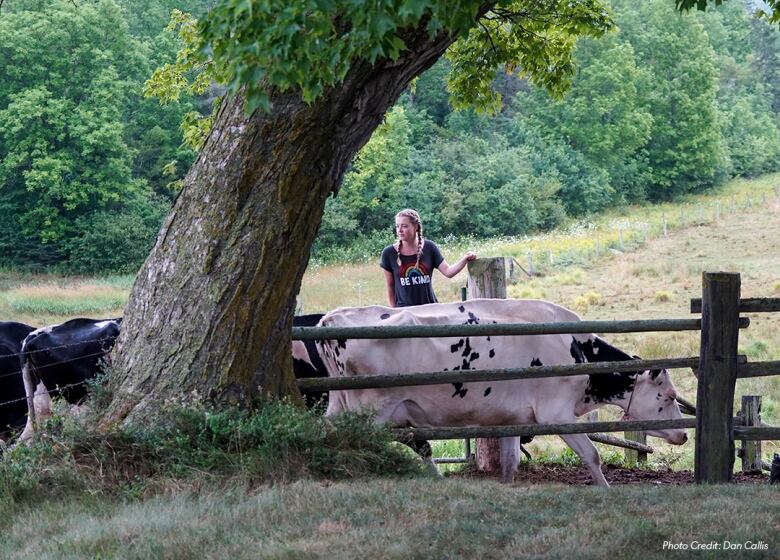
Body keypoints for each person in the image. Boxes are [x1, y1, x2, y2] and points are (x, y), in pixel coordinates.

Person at [380, 209, 476, 307]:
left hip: (430, 310)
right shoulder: (388, 253)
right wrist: (394, 311)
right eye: (397, 226)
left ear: (415, 226)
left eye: (404, 226)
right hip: (404, 313)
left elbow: (448, 272)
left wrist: (465, 259)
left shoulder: (430, 247)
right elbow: (390, 286)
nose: (399, 230)